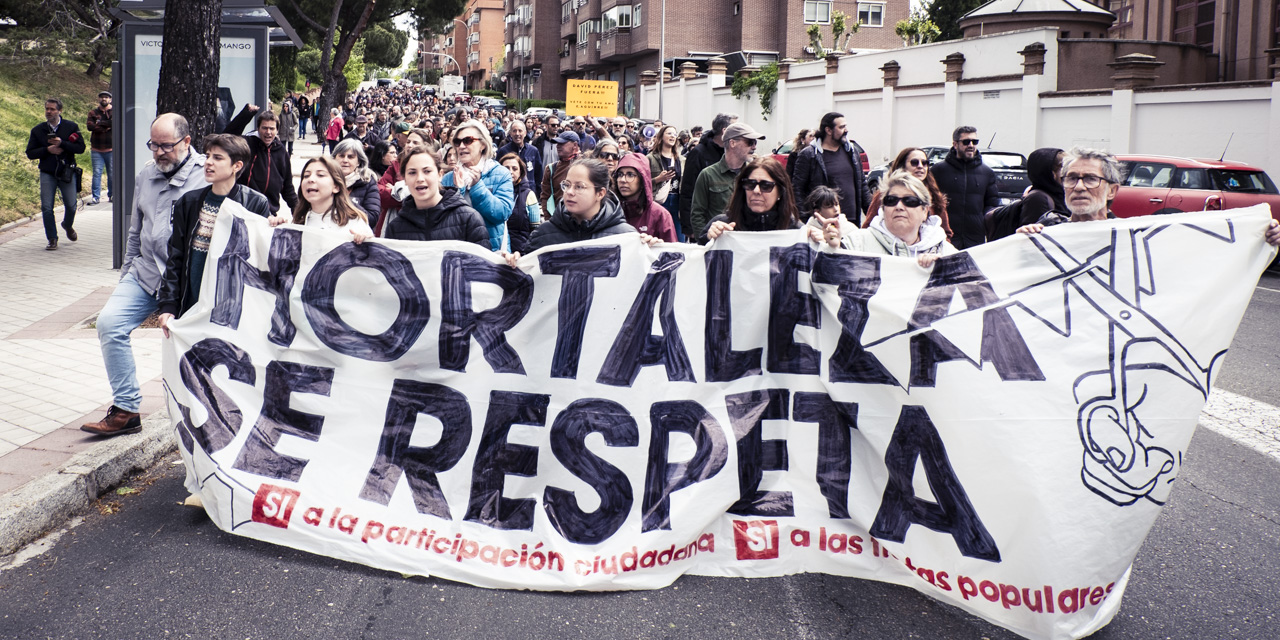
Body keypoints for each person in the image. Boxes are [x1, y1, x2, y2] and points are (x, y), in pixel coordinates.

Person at [81, 114, 208, 436]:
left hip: (188, 280)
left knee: (199, 346)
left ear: (186, 142)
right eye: (154, 145)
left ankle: (208, 412)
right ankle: (126, 410)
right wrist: (126, 276)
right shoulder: (147, 175)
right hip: (147, 272)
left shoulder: (207, 174)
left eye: (167, 145)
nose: (159, 152)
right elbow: (136, 231)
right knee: (110, 323)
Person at [155, 134, 272, 337]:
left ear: (236, 166)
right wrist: (168, 306)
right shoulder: (188, 202)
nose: (208, 162)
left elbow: (262, 261)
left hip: (236, 313)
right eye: (208, 156)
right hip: (193, 307)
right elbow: (176, 259)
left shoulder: (255, 203)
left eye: (218, 158)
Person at [813, 173, 955, 268]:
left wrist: (942, 271)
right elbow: (824, 282)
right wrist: (832, 249)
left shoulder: (945, 251)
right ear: (882, 208)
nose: (899, 206)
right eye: (891, 200)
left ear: (925, 211)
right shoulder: (857, 243)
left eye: (909, 201)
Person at [514, 158, 638, 256]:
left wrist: (649, 247)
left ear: (600, 193)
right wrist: (513, 262)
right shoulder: (543, 235)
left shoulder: (626, 237)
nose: (569, 192)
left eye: (579, 186)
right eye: (567, 185)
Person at [383, 147, 489, 247]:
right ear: (404, 179)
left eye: (427, 171)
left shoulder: (468, 219)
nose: (420, 178)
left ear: (440, 175)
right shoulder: (395, 228)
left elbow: (484, 264)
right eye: (412, 173)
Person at [440, 119, 515, 251]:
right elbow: (442, 220)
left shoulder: (501, 174)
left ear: (483, 145)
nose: (461, 146)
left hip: (491, 252)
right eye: (457, 142)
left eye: (468, 140)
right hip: (457, 252)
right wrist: (458, 191)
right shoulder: (448, 179)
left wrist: (477, 187)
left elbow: (502, 214)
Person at [791, 111, 872, 225]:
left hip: (851, 221)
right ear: (828, 130)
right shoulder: (809, 155)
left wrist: (871, 215)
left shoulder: (852, 152)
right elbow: (797, 190)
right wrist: (806, 220)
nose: (846, 130)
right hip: (824, 223)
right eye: (841, 127)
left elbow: (862, 185)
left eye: (846, 126)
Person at [26, 97, 85, 250]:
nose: (49, 112)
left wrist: (62, 144)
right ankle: (52, 238)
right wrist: (47, 150)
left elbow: (81, 148)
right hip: (47, 172)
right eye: (47, 109)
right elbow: (30, 153)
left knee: (71, 205)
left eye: (52, 109)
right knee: (46, 207)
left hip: (66, 172)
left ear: (60, 111)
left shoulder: (71, 127)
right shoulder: (38, 130)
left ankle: (67, 224)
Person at [271, 156, 373, 243]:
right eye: (306, 176)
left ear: (336, 186)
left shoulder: (354, 223)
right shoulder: (299, 221)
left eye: (320, 175)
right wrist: (276, 229)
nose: (310, 179)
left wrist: (367, 241)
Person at [690, 121, 763, 242]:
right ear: (732, 143)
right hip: (719, 244)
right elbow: (697, 214)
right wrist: (705, 243)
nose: (754, 147)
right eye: (750, 142)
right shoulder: (708, 175)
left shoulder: (755, 174)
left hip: (747, 243)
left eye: (755, 142)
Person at [702, 156, 802, 243]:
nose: (756, 190)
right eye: (750, 184)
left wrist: (816, 243)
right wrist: (708, 238)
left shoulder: (796, 231)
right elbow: (696, 258)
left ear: (780, 192)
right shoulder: (723, 225)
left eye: (766, 186)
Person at [931, 125, 999, 249]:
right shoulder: (938, 171)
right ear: (955, 144)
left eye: (975, 141)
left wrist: (984, 222)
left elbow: (992, 203)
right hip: (946, 237)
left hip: (975, 238)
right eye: (966, 141)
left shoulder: (987, 172)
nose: (971, 145)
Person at [862, 147, 952, 238]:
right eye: (914, 162)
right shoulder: (887, 193)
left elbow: (946, 233)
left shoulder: (934, 196)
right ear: (902, 166)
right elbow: (868, 227)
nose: (920, 166)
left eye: (924, 163)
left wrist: (936, 249)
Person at [680, 113, 737, 238]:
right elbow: (687, 190)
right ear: (724, 131)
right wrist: (689, 228)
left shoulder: (730, 155)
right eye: (736, 128)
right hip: (705, 228)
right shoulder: (699, 153)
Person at [615, 152, 678, 243]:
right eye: (620, 174)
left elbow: (672, 253)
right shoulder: (611, 211)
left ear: (642, 179)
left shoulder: (660, 214)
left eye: (630, 175)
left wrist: (658, 246)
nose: (623, 180)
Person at [332, 138, 382, 228]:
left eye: (350, 157)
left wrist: (344, 200)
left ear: (358, 162)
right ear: (334, 158)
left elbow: (372, 218)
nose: (345, 160)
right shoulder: (325, 179)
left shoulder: (368, 182)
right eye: (341, 156)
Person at [499, 152, 541, 254]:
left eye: (514, 168)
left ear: (521, 171)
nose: (510, 172)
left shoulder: (529, 195)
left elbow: (535, 230)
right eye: (506, 168)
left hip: (521, 253)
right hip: (498, 251)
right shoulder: (493, 193)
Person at [647, 125, 683, 240]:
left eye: (674, 134)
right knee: (659, 237)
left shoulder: (681, 160)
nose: (672, 136)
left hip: (677, 201)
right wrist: (658, 179)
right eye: (669, 133)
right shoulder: (650, 158)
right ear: (661, 137)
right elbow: (643, 182)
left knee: (678, 239)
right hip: (659, 200)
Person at [1018, 147, 1068, 226]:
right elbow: (1033, 233)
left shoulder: (1061, 193)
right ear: (1051, 173)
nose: (1067, 173)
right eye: (1063, 168)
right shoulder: (1037, 198)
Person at [539, 130, 582, 215]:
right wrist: (549, 219)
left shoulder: (587, 165)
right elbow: (545, 197)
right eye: (557, 143)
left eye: (562, 143)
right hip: (559, 220)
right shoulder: (551, 169)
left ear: (575, 145)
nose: (557, 146)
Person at [496, 119, 542, 194]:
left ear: (525, 133)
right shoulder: (503, 151)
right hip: (509, 192)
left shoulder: (533, 151)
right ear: (510, 133)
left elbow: (538, 175)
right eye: (514, 131)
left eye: (520, 131)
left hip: (529, 192)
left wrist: (538, 194)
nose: (517, 134)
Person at [86, 91, 113, 206]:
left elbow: (114, 123)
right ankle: (96, 197)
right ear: (99, 99)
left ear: (110, 100)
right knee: (97, 173)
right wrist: (106, 126)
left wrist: (100, 123)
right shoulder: (93, 112)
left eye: (106, 97)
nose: (104, 99)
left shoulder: (114, 111)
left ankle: (112, 195)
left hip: (111, 149)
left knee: (112, 173)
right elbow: (90, 126)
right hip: (96, 149)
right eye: (102, 97)